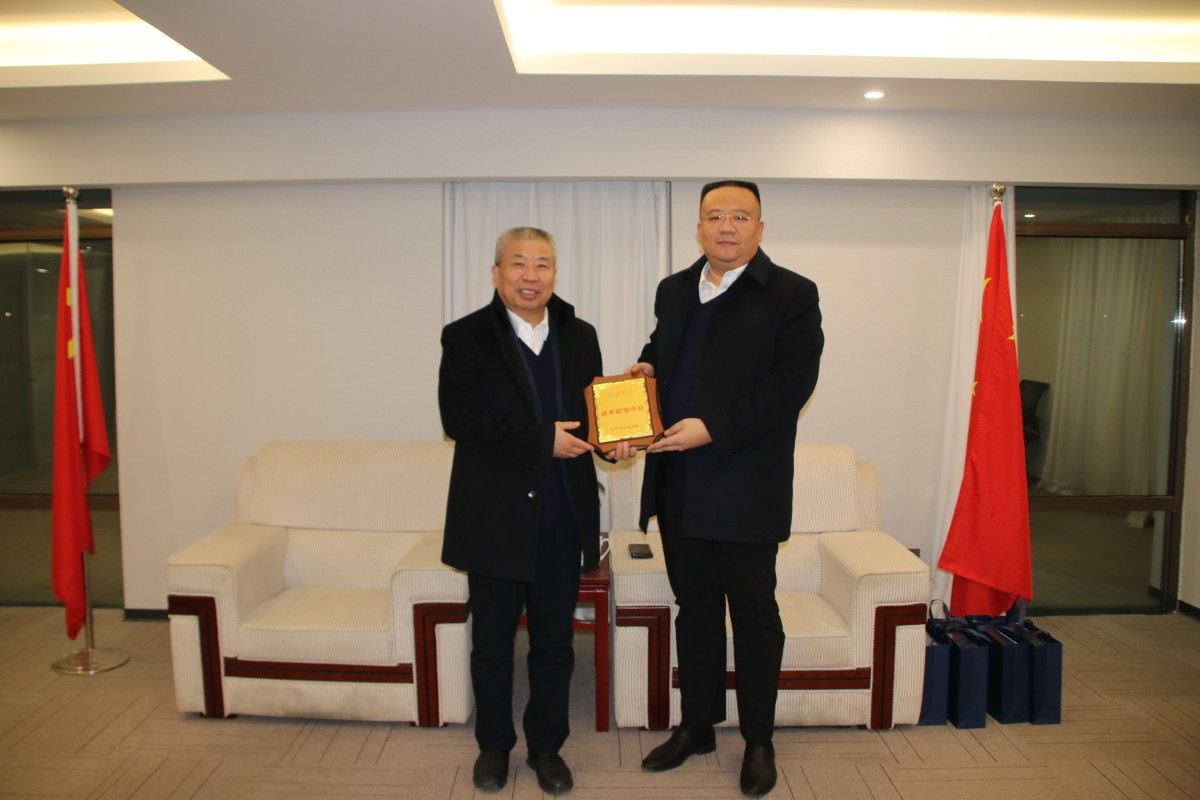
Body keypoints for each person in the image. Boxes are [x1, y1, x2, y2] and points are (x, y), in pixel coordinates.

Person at [618, 181, 823, 797]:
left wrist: (712, 429)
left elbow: (791, 385)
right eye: (714, 216)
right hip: (679, 483)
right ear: (699, 226)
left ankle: (758, 739)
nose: (726, 226)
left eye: (740, 216)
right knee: (696, 610)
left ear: (760, 228)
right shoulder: (675, 289)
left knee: (755, 616)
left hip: (745, 485)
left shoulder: (791, 293)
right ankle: (697, 726)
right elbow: (667, 350)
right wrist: (646, 370)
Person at [439, 226, 602, 795]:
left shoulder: (580, 335)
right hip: (495, 521)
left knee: (555, 645)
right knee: (492, 646)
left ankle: (546, 747)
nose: (531, 276)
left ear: (555, 273)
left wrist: (616, 439)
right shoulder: (465, 337)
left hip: (561, 519)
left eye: (543, 265)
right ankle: (493, 746)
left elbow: (591, 417)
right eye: (518, 264)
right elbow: (460, 418)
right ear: (496, 273)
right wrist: (540, 441)